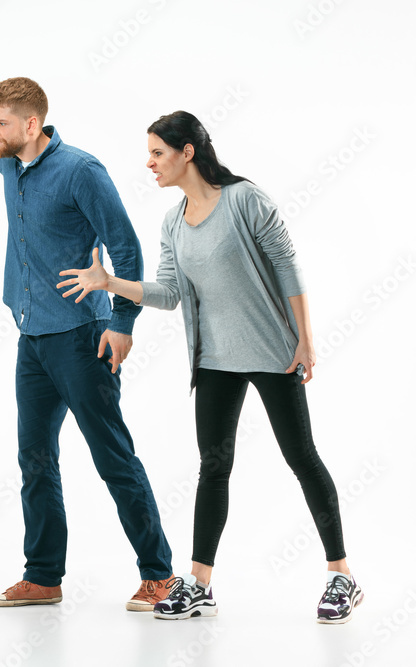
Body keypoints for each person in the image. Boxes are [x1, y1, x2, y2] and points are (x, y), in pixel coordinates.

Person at [57, 110, 361, 623]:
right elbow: (170, 293)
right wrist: (110, 284)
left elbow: (289, 268)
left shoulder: (246, 200)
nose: (149, 163)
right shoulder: (173, 222)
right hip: (215, 360)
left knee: (301, 457)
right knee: (213, 468)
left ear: (187, 152)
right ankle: (200, 585)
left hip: (272, 353)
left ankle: (342, 575)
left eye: (157, 153)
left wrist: (305, 341)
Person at [0, 74, 174, 611]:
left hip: (83, 340)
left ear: (31, 124)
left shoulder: (81, 171)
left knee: (113, 457)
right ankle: (44, 577)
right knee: (35, 459)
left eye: (1, 123)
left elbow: (125, 248)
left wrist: (122, 324)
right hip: (31, 339)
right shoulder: (9, 158)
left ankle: (160, 575)